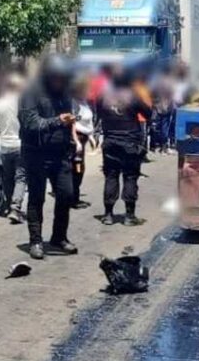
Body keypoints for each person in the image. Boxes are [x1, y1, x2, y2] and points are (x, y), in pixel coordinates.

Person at [18, 55, 78, 260]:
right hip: (37, 153)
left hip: (60, 153)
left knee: (67, 194)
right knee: (37, 197)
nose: (59, 82)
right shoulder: (31, 92)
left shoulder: (64, 93)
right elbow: (30, 123)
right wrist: (57, 121)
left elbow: (69, 117)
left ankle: (58, 237)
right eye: (56, 78)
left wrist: (72, 138)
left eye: (62, 78)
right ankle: (35, 240)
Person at [98, 70, 151, 226]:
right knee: (130, 177)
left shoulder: (104, 96)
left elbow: (98, 113)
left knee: (111, 176)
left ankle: (108, 215)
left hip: (110, 142)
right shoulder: (133, 96)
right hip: (130, 143)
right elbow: (148, 113)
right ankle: (129, 216)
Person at [0, 73, 27, 223]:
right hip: (20, 145)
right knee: (21, 177)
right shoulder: (22, 103)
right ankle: (15, 208)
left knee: (8, 178)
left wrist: (1, 131)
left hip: (4, 146)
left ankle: (11, 207)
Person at [71, 75, 95, 210]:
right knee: (77, 168)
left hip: (84, 138)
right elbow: (73, 123)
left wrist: (91, 136)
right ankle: (73, 198)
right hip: (77, 139)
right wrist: (76, 141)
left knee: (79, 168)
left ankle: (75, 196)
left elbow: (89, 121)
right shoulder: (73, 103)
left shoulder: (84, 102)